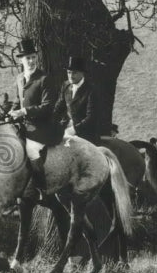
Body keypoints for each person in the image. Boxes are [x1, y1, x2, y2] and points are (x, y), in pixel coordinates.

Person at [8, 38, 59, 182]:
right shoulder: (19, 78)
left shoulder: (44, 79)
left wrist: (24, 111)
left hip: (42, 127)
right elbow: (18, 101)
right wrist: (11, 113)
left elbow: (48, 107)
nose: (31, 61)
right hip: (24, 126)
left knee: (31, 150)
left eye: (33, 58)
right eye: (27, 58)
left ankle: (41, 185)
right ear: (21, 61)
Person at [52, 56, 101, 144]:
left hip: (86, 133)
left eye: (74, 73)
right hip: (68, 127)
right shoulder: (66, 85)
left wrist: (74, 129)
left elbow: (91, 118)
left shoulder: (91, 90)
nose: (71, 76)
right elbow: (58, 107)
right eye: (69, 72)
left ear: (82, 73)